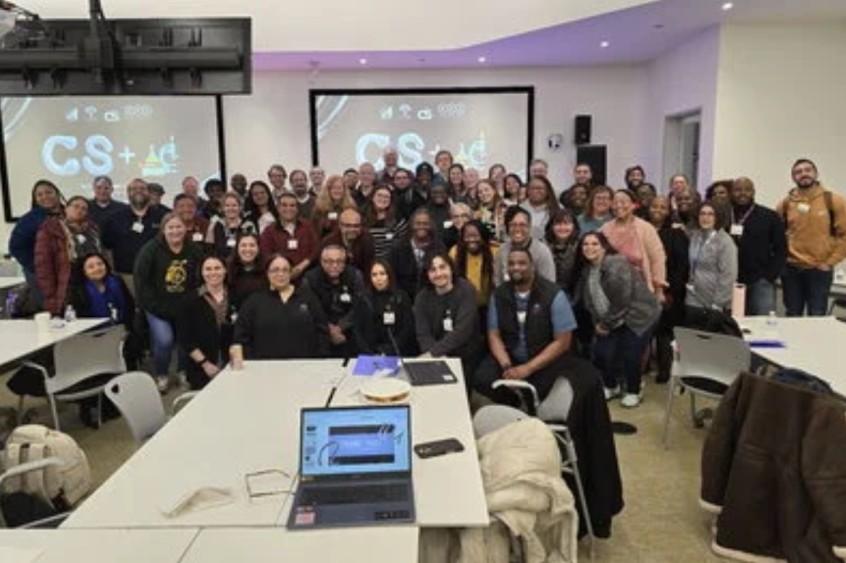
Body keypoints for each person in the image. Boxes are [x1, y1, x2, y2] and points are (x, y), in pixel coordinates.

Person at [474, 247, 577, 404]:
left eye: (522, 263)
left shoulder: (554, 294)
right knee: (482, 379)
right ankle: (514, 403)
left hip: (542, 358)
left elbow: (563, 342)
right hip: (510, 356)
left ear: (532, 266)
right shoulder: (499, 294)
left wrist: (528, 368)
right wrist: (507, 367)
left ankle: (531, 405)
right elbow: (494, 334)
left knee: (543, 389)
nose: (516, 267)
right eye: (512, 263)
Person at [577, 232, 660, 407]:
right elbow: (589, 301)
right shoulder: (587, 270)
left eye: (595, 244)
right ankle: (611, 385)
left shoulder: (616, 265)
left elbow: (622, 302)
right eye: (585, 244)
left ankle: (633, 390)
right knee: (603, 352)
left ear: (604, 247)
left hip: (638, 316)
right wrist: (598, 323)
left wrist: (605, 325)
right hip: (611, 317)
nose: (589, 248)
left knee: (631, 354)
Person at [133, 213, 204, 392]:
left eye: (178, 227)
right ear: (163, 230)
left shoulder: (194, 249)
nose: (175, 231)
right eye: (170, 227)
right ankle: (162, 374)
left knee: (185, 340)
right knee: (164, 340)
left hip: (185, 306)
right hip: (157, 305)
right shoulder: (150, 249)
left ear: (185, 228)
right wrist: (155, 307)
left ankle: (182, 371)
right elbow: (141, 281)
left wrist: (196, 297)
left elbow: (203, 274)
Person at [776, 158, 846, 317]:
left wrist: (830, 262)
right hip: (791, 269)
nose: (803, 174)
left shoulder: (833, 201)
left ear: (816, 173)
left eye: (808, 170)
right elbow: (776, 236)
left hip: (819, 270)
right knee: (792, 314)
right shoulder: (785, 204)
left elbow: (844, 235)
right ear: (793, 177)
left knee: (817, 314)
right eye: (798, 172)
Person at [232, 254, 329, 360]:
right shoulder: (253, 302)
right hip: (265, 367)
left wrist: (318, 360)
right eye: (275, 270)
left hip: (304, 365)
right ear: (267, 273)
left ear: (291, 273)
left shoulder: (308, 298)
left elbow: (322, 332)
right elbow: (241, 337)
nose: (280, 274)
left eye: (285, 270)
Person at [414, 252, 484, 389]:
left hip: (465, 354)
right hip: (436, 353)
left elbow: (463, 331)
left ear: (451, 268)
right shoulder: (422, 298)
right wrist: (436, 356)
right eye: (433, 270)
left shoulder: (466, 290)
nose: (439, 273)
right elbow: (423, 333)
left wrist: (433, 353)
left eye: (442, 267)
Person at [66, 252, 140, 370]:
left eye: (100, 264)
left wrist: (126, 329)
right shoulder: (78, 291)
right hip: (93, 338)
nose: (97, 268)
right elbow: (76, 320)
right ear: (84, 271)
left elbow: (129, 306)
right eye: (91, 267)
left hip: (121, 332)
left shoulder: (117, 281)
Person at [34, 196, 102, 314]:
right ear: (66, 208)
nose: (80, 210)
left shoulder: (93, 230)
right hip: (68, 284)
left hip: (92, 282)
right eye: (76, 206)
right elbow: (43, 265)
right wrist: (51, 296)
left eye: (84, 209)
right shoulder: (51, 230)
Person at [729, 177, 787, 316]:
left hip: (760, 280)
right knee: (732, 321)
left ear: (753, 192)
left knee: (761, 321)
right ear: (732, 192)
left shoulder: (770, 216)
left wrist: (770, 276)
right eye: (738, 190)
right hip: (731, 279)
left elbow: (781, 249)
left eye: (747, 189)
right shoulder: (725, 215)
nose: (742, 193)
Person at [648, 196, 689, 383]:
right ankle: (644, 365)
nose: (658, 210)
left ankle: (664, 369)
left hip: (668, 290)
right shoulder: (641, 229)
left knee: (664, 331)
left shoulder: (676, 234)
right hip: (643, 289)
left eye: (663, 207)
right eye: (654, 206)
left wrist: (670, 291)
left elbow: (681, 266)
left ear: (668, 211)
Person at [177, 255, 235, 390]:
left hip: (233, 364)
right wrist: (205, 363)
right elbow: (185, 338)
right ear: (201, 273)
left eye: (217, 268)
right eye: (208, 269)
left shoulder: (236, 296)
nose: (213, 272)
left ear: (225, 270)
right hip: (201, 367)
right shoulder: (189, 301)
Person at [100, 178, 167, 294]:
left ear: (148, 193)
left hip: (156, 275)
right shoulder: (114, 218)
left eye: (142, 188)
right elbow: (107, 248)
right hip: (125, 276)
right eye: (133, 189)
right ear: (128, 193)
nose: (138, 191)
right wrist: (112, 272)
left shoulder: (162, 216)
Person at [600, 189, 666, 301]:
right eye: (615, 203)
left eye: (623, 202)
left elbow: (657, 259)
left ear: (633, 205)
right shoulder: (605, 229)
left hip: (640, 290)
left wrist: (659, 290)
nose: (619, 205)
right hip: (610, 290)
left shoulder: (646, 228)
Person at [302, 245, 365, 358]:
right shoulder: (310, 279)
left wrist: (340, 327)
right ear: (321, 262)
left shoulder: (355, 276)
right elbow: (314, 310)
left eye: (339, 261)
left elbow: (359, 306)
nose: (335, 265)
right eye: (329, 261)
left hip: (349, 328)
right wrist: (331, 330)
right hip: (322, 329)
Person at [9, 180, 64, 307]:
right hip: (41, 275)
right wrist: (37, 266)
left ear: (57, 193)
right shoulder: (29, 220)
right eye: (39, 195)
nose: (45, 196)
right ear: (35, 199)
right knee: (51, 308)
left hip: (67, 272)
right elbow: (15, 247)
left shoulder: (69, 213)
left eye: (49, 192)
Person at [353, 260, 418, 356]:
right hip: (370, 354)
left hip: (397, 352)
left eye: (382, 274)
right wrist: (369, 352)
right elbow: (358, 331)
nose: (378, 278)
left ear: (389, 275)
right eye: (374, 275)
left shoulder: (401, 297)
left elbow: (408, 328)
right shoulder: (363, 299)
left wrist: (390, 350)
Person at [685, 202, 738, 315]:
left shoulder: (725, 242)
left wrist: (718, 302)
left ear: (717, 217)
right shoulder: (695, 236)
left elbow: (729, 276)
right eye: (702, 214)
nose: (705, 218)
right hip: (693, 296)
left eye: (710, 214)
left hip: (715, 300)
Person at [259, 193, 318, 282]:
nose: (288, 208)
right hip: (280, 277)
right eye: (284, 205)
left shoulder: (308, 227)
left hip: (307, 277)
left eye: (292, 205)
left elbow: (316, 249)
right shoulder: (269, 231)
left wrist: (301, 267)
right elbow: (266, 254)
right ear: (278, 208)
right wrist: (285, 270)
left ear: (297, 209)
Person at [388, 208, 445, 299]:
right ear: (411, 225)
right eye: (418, 223)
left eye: (425, 224)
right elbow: (392, 276)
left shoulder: (439, 247)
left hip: (432, 298)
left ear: (431, 225)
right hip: (403, 298)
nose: (421, 226)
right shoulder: (398, 247)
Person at [494, 207, 555, 286]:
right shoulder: (502, 250)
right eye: (513, 225)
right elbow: (498, 282)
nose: (517, 229)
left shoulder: (542, 252)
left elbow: (549, 285)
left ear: (529, 227)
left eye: (522, 225)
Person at [450, 220, 499, 320]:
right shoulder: (455, 252)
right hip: (463, 307)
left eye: (476, 235)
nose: (471, 239)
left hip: (490, 307)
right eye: (467, 236)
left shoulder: (495, 252)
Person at [321, 208, 375, 273]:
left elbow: (369, 266)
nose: (352, 229)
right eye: (348, 226)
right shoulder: (329, 241)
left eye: (356, 226)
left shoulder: (367, 238)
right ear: (340, 225)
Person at [363, 186, 409, 260]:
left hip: (391, 261)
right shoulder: (362, 217)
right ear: (372, 197)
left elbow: (404, 243)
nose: (382, 199)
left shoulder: (398, 219)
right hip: (367, 260)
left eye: (386, 197)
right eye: (379, 195)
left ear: (390, 200)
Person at [545, 209, 582, 294]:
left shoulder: (581, 246)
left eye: (567, 223)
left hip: (575, 292)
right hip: (548, 292)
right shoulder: (543, 246)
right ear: (551, 226)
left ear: (574, 226)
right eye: (558, 224)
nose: (562, 227)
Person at [228, 233, 267, 310]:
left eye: (252, 245)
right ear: (237, 249)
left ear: (258, 248)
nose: (248, 249)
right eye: (243, 245)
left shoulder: (267, 270)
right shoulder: (228, 270)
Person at [312, 174, 357, 238]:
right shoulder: (319, 207)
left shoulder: (351, 207)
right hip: (325, 240)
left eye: (339, 188)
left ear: (344, 190)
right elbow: (315, 230)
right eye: (334, 188)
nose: (337, 191)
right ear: (328, 190)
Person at [207, 192, 249, 258]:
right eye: (227, 206)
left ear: (240, 207)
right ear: (222, 208)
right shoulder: (215, 224)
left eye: (234, 205)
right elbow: (209, 247)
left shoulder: (248, 225)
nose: (231, 208)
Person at [522, 176, 560, 241]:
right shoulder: (519, 209)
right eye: (532, 188)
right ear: (527, 191)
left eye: (540, 188)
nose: (535, 191)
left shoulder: (558, 208)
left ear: (547, 191)